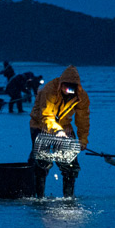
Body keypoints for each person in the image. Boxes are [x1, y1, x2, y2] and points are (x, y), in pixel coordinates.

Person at [29, 66, 90, 198]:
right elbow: (46, 116)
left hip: (64, 126)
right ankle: (38, 196)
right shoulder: (49, 90)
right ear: (61, 84)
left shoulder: (81, 96)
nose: (69, 91)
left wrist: (83, 139)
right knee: (41, 162)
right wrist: (57, 131)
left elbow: (83, 119)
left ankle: (68, 197)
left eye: (72, 88)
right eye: (67, 87)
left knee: (70, 164)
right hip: (40, 125)